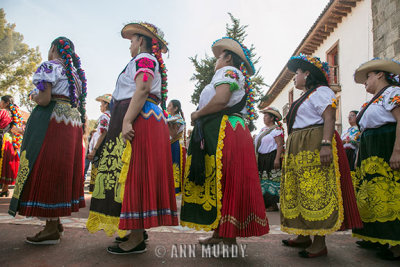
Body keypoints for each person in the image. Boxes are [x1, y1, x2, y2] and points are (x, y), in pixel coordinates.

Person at [87, 22, 177, 255]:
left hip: (139, 116)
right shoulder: (143, 60)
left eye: (132, 40)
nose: (130, 45)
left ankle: (136, 236)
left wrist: (127, 120)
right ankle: (133, 230)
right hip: (139, 113)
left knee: (134, 173)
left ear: (141, 40)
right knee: (128, 173)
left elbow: (143, 87)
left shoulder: (144, 59)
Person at [180, 37, 269, 244]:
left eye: (219, 57)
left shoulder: (228, 72)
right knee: (223, 180)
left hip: (224, 130)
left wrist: (197, 114)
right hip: (226, 129)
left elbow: (221, 100)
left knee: (224, 178)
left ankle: (227, 236)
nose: (215, 61)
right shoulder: (231, 74)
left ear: (228, 57)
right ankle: (221, 233)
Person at [281, 54, 362, 258]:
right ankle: (303, 235)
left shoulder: (321, 92)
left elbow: (329, 117)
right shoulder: (306, 95)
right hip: (299, 144)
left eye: (297, 73)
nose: (294, 77)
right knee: (300, 190)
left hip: (313, 142)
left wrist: (325, 144)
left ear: (307, 74)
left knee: (316, 190)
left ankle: (319, 242)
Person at [8, 37, 87, 245]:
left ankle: (51, 227)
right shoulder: (75, 76)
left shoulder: (49, 66)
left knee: (46, 167)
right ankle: (55, 221)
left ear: (54, 48)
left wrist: (33, 96)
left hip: (51, 122)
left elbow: (43, 99)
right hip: (70, 123)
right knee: (59, 170)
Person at [352, 58, 400, 261]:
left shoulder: (393, 93)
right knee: (371, 194)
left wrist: (397, 150)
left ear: (380, 74)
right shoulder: (371, 101)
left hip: (385, 144)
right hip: (369, 148)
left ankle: (397, 245)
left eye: (368, 76)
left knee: (389, 193)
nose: (365, 81)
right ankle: (376, 237)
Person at [254, 106, 284, 212]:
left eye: (266, 116)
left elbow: (280, 144)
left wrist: (277, 159)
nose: (264, 118)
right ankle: (266, 203)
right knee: (263, 180)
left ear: (272, 118)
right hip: (262, 158)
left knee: (271, 180)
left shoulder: (276, 130)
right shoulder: (263, 130)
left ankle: (273, 204)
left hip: (271, 157)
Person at [87, 94, 111, 193]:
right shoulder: (112, 117)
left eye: (101, 104)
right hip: (107, 149)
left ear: (106, 105)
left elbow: (102, 134)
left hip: (100, 149)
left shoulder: (104, 116)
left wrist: (94, 150)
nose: (100, 106)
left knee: (97, 174)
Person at [0, 95, 23, 196]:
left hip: (3, 140)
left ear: (5, 103)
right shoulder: (16, 113)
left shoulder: (3, 112)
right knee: (7, 164)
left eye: (1, 101)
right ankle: (5, 189)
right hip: (11, 141)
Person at [166, 99, 186, 194]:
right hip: (170, 145)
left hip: (175, 146)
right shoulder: (170, 118)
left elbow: (173, 134)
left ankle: (174, 191)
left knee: (174, 168)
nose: (167, 107)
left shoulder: (178, 120)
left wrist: (168, 124)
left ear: (176, 108)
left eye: (169, 106)